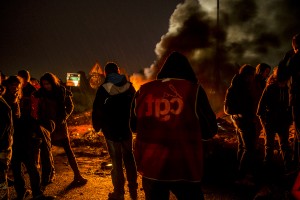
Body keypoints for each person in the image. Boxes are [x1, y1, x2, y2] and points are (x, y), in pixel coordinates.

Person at [130, 52, 218, 200]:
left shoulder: (143, 91)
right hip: (184, 165)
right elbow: (209, 130)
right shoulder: (193, 91)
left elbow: (134, 126)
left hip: (151, 165)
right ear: (187, 69)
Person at [3, 76, 56, 200]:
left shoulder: (20, 99)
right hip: (13, 140)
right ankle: (27, 193)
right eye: (12, 85)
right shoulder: (7, 101)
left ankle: (32, 192)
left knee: (28, 167)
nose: (15, 88)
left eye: (17, 85)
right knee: (20, 168)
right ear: (8, 87)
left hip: (23, 138)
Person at [92, 62, 138, 200]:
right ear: (118, 72)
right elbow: (136, 106)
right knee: (129, 158)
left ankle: (119, 193)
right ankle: (133, 191)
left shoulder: (103, 89)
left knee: (116, 161)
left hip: (111, 130)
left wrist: (97, 126)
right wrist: (135, 125)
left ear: (105, 73)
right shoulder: (129, 87)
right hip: (126, 129)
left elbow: (97, 110)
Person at [34, 72, 87, 187]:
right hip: (46, 126)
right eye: (44, 84)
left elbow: (70, 106)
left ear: (52, 83)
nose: (46, 86)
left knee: (68, 150)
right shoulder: (41, 93)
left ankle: (77, 175)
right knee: (46, 152)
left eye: (48, 84)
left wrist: (63, 117)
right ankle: (48, 175)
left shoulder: (61, 91)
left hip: (60, 125)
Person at [224, 64, 257, 185]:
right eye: (252, 75)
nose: (253, 77)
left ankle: (240, 173)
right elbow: (227, 108)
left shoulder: (242, 86)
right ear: (247, 75)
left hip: (242, 120)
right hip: (244, 121)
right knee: (249, 148)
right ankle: (241, 176)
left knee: (242, 147)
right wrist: (241, 114)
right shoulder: (237, 88)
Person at [257, 67, 292, 171]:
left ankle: (287, 169)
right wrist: (264, 124)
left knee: (285, 146)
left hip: (283, 123)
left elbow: (289, 107)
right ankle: (267, 171)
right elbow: (260, 109)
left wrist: (289, 120)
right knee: (269, 148)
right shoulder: (270, 88)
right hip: (271, 122)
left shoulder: (287, 89)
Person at [283, 33, 300, 168]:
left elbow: (282, 76)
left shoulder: (296, 58)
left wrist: (286, 58)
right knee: (297, 134)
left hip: (298, 100)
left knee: (299, 132)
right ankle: (294, 162)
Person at [0, 85, 14, 200]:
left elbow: (3, 129)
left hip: (3, 147)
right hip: (4, 146)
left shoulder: (2, 106)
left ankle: (5, 197)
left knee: (1, 176)